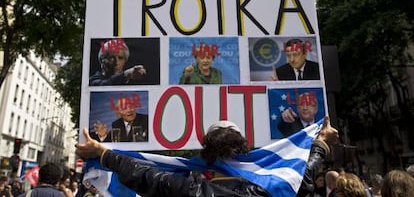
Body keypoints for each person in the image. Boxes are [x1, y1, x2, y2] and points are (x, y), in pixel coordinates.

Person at [76, 116, 339, 197]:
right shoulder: (268, 187)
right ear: (245, 148)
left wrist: (104, 154)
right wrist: (319, 146)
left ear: (206, 150)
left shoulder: (191, 187)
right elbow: (299, 181)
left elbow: (147, 175)